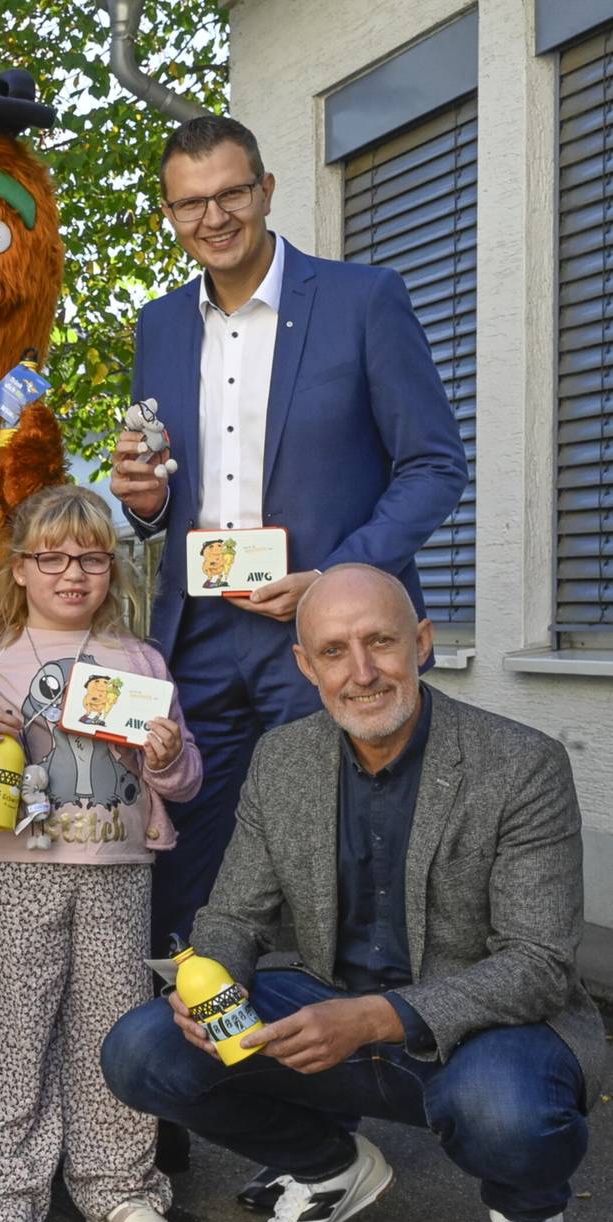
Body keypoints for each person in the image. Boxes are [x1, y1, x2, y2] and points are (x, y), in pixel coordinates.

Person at [100, 565, 604, 1222]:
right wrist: (210, 987)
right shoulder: (283, 758)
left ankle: (528, 1214)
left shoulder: (519, 762)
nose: (361, 672)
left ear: (423, 644)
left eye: (381, 643)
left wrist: (377, 1017)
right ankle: (329, 1169)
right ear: (306, 666)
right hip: (328, 1004)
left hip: (479, 1029)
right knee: (143, 1051)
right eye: (334, 651)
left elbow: (540, 963)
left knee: (505, 1111)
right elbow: (235, 914)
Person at [108, 113, 468, 973]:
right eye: (190, 203)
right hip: (197, 632)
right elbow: (165, 490)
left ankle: (349, 1034)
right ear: (170, 213)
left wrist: (336, 578)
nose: (214, 217)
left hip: (324, 633)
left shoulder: (363, 300)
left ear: (266, 190)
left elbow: (434, 466)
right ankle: (194, 1034)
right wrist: (148, 504)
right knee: (187, 854)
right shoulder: (158, 326)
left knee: (338, 851)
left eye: (231, 192)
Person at [0, 486, 202, 1222]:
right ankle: (5, 1192)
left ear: (111, 569)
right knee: (9, 1025)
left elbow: (185, 778)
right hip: (14, 869)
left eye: (91, 558)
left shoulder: (141, 659)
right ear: (19, 568)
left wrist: (167, 758)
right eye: (52, 558)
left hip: (117, 870)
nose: (72, 574)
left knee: (111, 1024)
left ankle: (118, 1184)